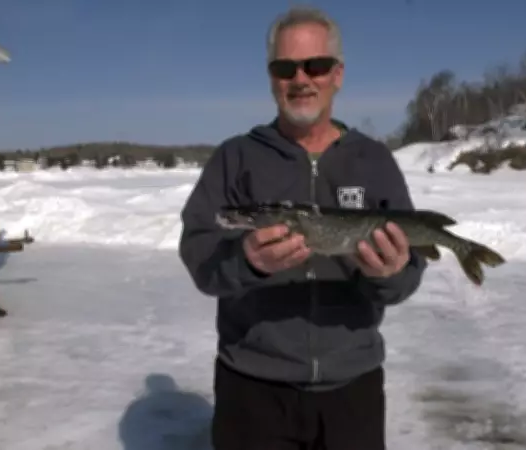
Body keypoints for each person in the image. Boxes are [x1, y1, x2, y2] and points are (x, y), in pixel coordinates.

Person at [178, 5, 427, 450]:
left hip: (354, 388)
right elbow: (200, 254)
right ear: (271, 76)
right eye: (285, 67)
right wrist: (246, 262)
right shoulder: (235, 158)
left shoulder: (373, 160)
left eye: (316, 65)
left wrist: (389, 275)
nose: (301, 79)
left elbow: (409, 268)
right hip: (252, 388)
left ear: (338, 74)